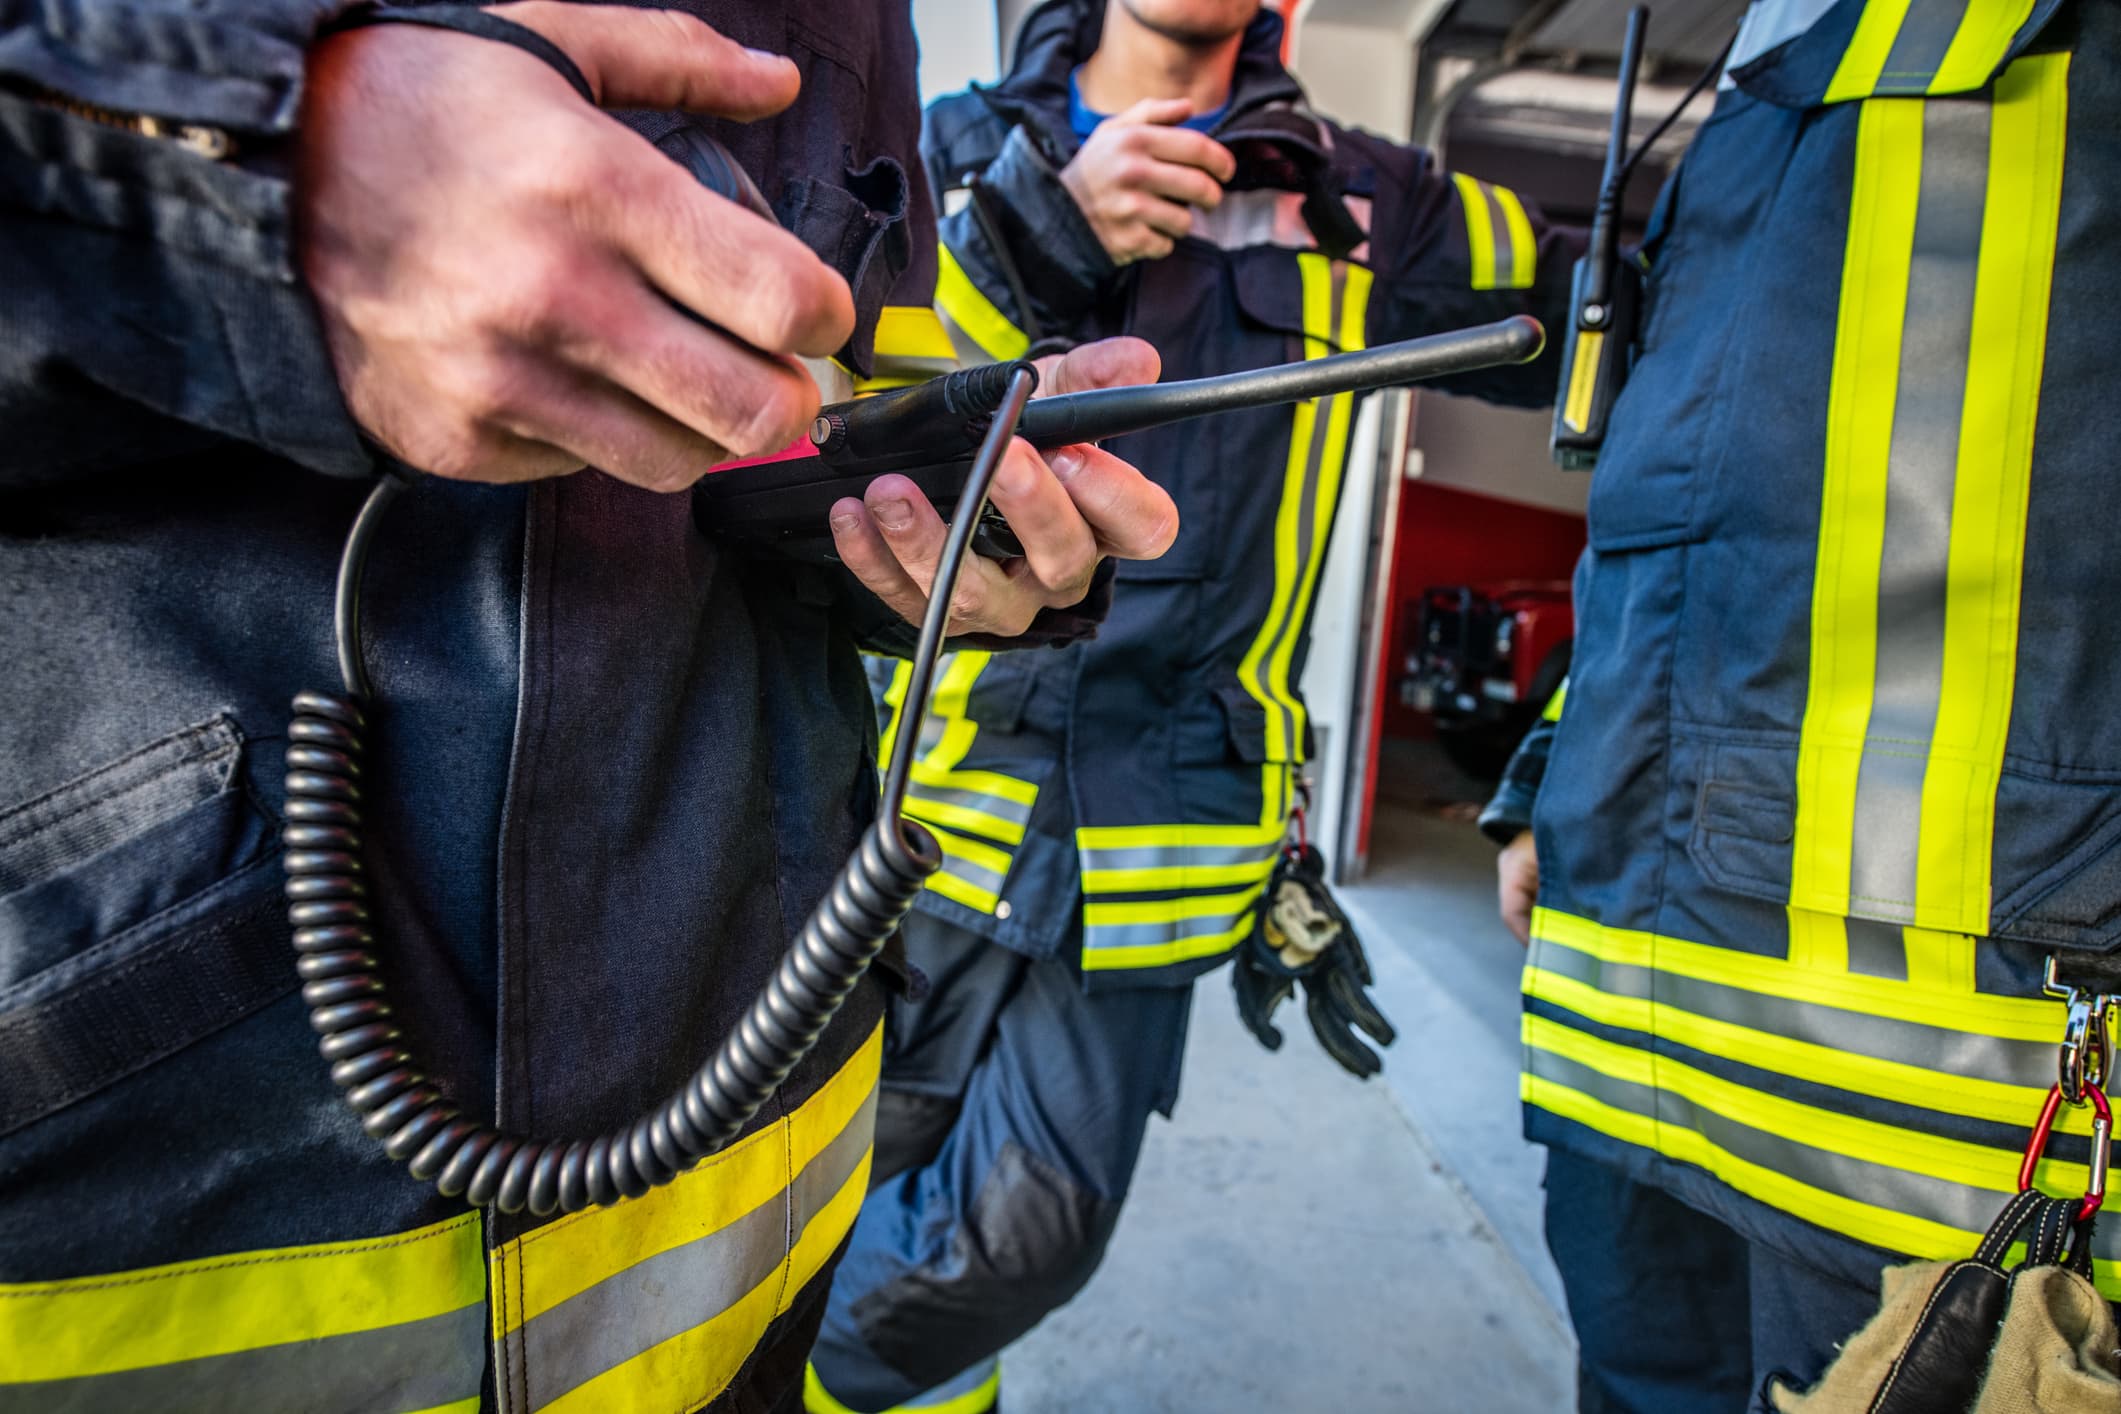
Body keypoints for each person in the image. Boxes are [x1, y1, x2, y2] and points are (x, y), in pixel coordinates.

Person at [0, 0, 1181, 1407]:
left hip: (747, 1208)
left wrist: (917, 545)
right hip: (130, 1128)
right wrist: (235, 186)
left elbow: (800, 430)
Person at [807, 3, 1582, 1410]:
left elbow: (1604, 309)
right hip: (923, 813)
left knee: (1015, 1238)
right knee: (842, 1182)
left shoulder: (1369, 198)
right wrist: (1031, 235)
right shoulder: (947, 153)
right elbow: (833, 417)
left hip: (1157, 841)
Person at [1498, 0, 2121, 1408]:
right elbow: (1681, 500)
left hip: (1961, 1109)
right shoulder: (1750, 82)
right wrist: (1557, 769)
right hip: (1640, 1029)